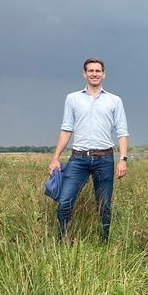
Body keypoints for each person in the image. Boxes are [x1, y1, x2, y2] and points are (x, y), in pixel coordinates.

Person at [48, 57, 129, 242]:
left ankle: (104, 242)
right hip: (79, 158)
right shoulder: (73, 98)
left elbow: (122, 131)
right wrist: (55, 158)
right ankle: (64, 240)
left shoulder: (114, 100)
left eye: (98, 71)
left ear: (104, 74)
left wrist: (123, 159)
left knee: (104, 206)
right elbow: (66, 128)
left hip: (105, 158)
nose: (94, 74)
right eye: (90, 71)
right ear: (84, 74)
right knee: (64, 202)